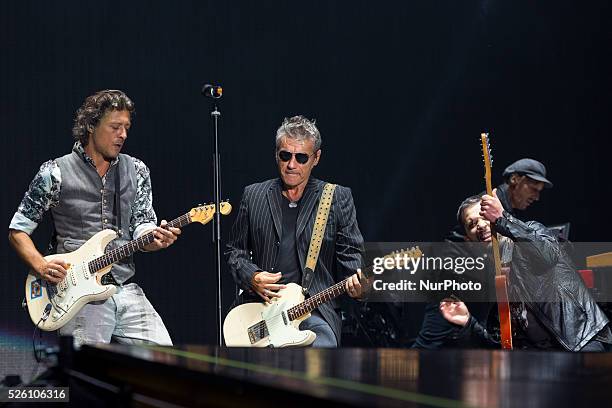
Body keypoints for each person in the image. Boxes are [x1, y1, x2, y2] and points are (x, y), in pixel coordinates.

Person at [8, 89, 180, 347]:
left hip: (123, 286)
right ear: (90, 126)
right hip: (76, 294)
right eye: (114, 127)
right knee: (84, 375)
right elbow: (18, 231)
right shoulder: (55, 172)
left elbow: (142, 225)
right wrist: (41, 266)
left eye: (126, 127)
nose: (122, 134)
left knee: (166, 360)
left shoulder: (137, 170)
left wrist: (155, 239)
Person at [225, 115, 364, 347]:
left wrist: (360, 287)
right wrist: (252, 277)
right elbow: (235, 251)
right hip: (258, 313)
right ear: (276, 154)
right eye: (285, 156)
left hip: (314, 312)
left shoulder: (336, 198)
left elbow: (352, 261)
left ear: (316, 158)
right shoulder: (254, 195)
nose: (292, 164)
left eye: (301, 157)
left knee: (318, 356)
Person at [438, 192, 611, 351]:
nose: (481, 225)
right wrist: (468, 323)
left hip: (580, 342)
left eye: (484, 216)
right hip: (543, 359)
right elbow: (503, 345)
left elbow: (546, 255)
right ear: (469, 241)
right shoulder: (494, 275)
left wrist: (502, 219)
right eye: (472, 224)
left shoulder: (530, 232)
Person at [446, 158, 552, 241]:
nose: (537, 197)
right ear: (514, 179)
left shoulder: (515, 212)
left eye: (539, 191)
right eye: (533, 189)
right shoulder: (483, 203)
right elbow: (455, 242)